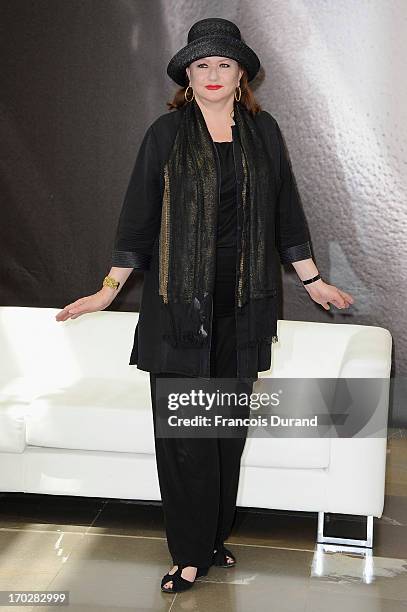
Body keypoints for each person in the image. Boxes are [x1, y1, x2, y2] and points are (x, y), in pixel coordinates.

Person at [55, 17, 354, 594]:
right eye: (201, 65)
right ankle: (188, 554)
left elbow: (286, 212)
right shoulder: (165, 135)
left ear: (241, 75)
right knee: (186, 439)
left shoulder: (264, 136)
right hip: (176, 311)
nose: (213, 75)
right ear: (187, 78)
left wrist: (312, 280)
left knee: (223, 433)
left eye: (224, 64)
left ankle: (214, 537)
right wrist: (106, 291)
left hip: (243, 309)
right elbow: (137, 223)